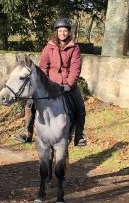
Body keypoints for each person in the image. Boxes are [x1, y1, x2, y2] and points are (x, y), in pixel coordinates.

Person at [12, 18, 87, 147]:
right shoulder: (48, 47)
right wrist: (44, 84)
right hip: (50, 83)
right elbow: (43, 67)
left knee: (80, 107)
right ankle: (27, 133)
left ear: (69, 33)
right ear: (56, 32)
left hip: (68, 84)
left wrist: (69, 84)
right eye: (60, 31)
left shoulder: (75, 48)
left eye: (65, 31)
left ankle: (79, 136)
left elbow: (76, 68)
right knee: (30, 103)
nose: (63, 33)